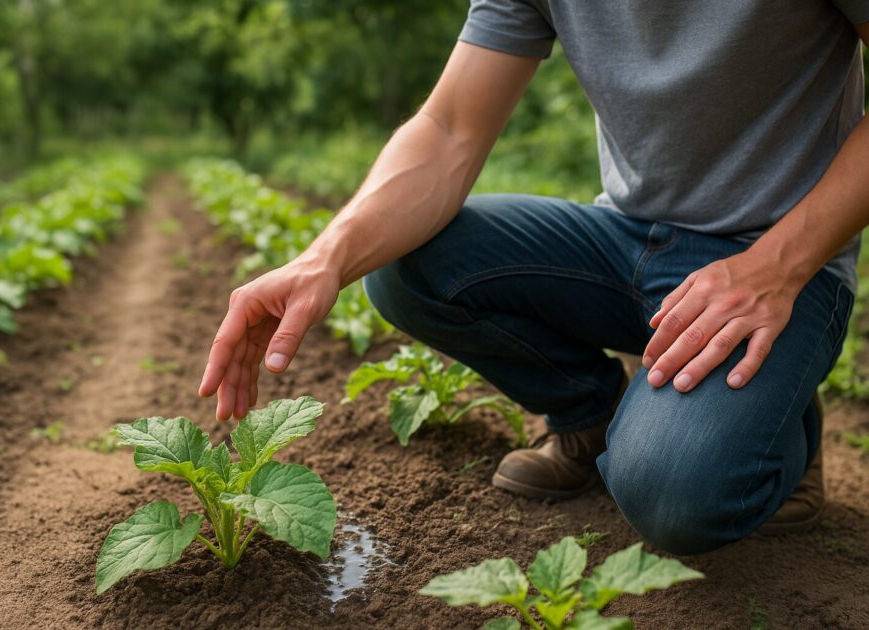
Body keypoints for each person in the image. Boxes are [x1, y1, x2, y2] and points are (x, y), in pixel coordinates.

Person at [198, 1, 869, 555]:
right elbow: (449, 127)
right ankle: (589, 413)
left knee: (672, 496)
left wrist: (776, 264)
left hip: (781, 260)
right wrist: (326, 255)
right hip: (627, 239)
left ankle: (781, 430)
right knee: (405, 264)